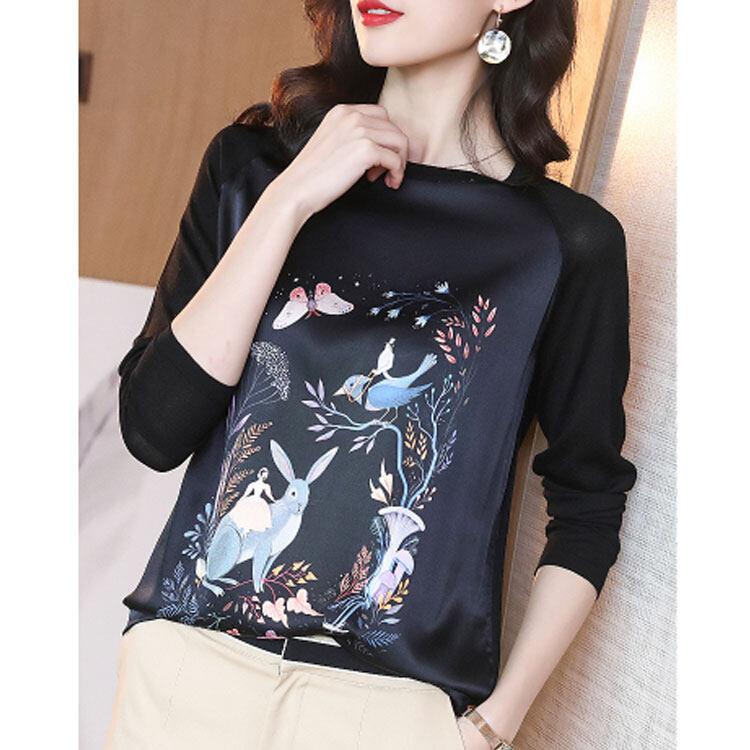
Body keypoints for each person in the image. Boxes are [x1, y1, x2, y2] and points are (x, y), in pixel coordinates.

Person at [104, 1, 638, 748]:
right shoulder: (253, 170)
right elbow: (153, 430)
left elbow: (587, 502)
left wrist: (494, 724)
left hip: (386, 715)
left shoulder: (560, 245)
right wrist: (290, 199)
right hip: (186, 682)